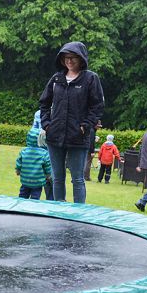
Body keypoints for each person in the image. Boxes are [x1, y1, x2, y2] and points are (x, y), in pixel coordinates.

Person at [39, 41, 104, 203]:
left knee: (77, 179)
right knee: (57, 177)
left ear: (81, 59)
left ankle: (78, 215)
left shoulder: (90, 79)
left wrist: (85, 125)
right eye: (66, 57)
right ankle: (59, 211)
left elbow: (97, 106)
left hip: (78, 137)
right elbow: (44, 103)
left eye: (73, 57)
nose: (69, 61)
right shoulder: (56, 78)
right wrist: (47, 124)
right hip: (55, 136)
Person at [15, 126, 52, 199]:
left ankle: (20, 207)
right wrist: (48, 175)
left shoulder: (24, 151)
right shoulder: (44, 153)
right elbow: (47, 166)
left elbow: (19, 163)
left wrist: (18, 170)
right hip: (37, 182)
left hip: (25, 181)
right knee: (35, 198)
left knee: (22, 196)